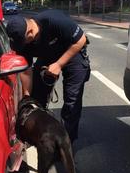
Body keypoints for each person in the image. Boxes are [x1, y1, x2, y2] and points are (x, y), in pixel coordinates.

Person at [6, 10, 91, 144]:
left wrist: (58, 64)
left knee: (72, 101)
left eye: (24, 42)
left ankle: (65, 142)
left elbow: (81, 40)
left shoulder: (53, 20)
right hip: (47, 56)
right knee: (36, 96)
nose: (23, 46)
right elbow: (26, 71)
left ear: (30, 32)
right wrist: (27, 96)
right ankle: (41, 133)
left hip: (73, 52)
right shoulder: (22, 42)